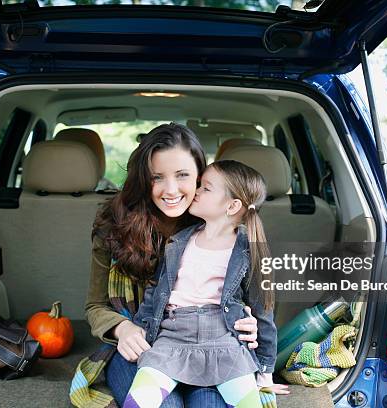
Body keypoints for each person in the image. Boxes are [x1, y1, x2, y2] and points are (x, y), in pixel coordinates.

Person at [72, 123, 262, 408]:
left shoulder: (226, 226)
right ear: (142, 179)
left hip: (213, 347)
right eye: (156, 177)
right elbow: (95, 305)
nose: (170, 190)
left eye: (183, 175)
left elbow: (252, 299)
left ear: (201, 174)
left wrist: (249, 321)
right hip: (143, 345)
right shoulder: (113, 226)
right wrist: (121, 329)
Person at [123, 160, 288, 408]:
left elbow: (263, 311)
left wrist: (264, 372)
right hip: (172, 339)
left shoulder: (248, 251)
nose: (196, 191)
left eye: (206, 188)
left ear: (232, 206)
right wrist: (139, 331)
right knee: (137, 402)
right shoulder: (178, 242)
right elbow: (155, 293)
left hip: (225, 343)